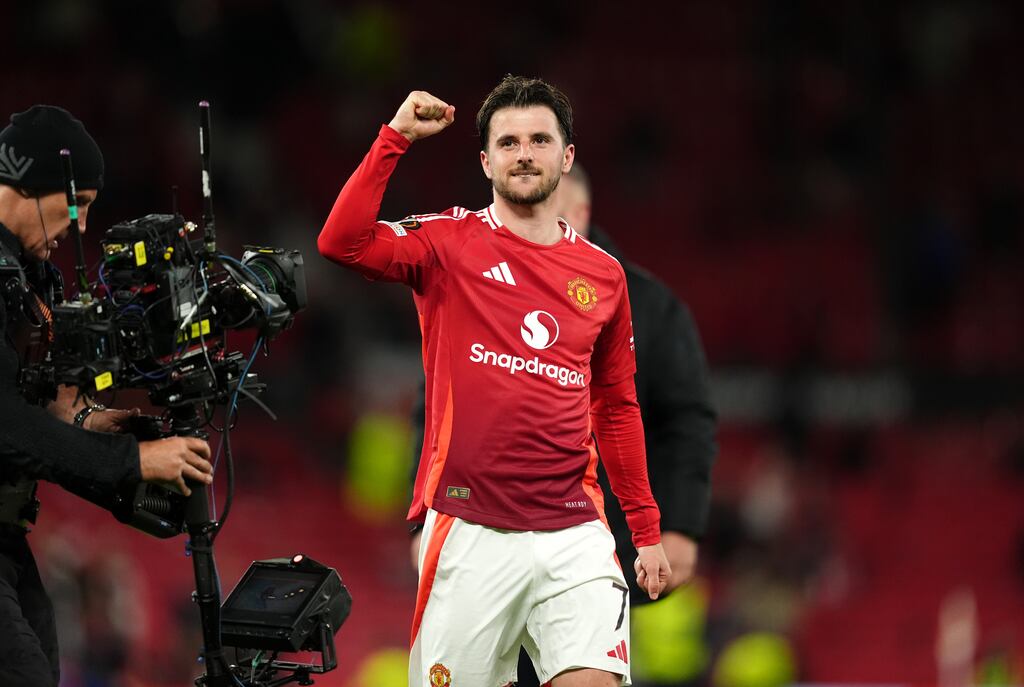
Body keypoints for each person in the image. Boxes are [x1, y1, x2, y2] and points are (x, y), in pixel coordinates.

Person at [319, 76, 669, 687]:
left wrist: (644, 529)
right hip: (470, 529)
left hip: (574, 531)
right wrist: (395, 137)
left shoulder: (604, 277)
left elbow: (615, 407)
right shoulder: (447, 243)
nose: (524, 153)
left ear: (566, 157)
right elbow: (341, 243)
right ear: (485, 161)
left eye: (539, 139)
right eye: (508, 143)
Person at [408, 164, 718, 687]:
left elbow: (685, 421)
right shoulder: (481, 278)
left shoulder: (649, 305)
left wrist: (679, 526)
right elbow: (442, 406)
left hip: (595, 532)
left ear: (580, 214)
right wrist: (427, 519)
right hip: (485, 526)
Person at [0, 105, 215, 686]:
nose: (84, 226)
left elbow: (36, 407)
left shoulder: (27, 272)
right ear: (31, 182)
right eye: (80, 203)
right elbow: (7, 426)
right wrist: (134, 461)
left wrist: (104, 427)